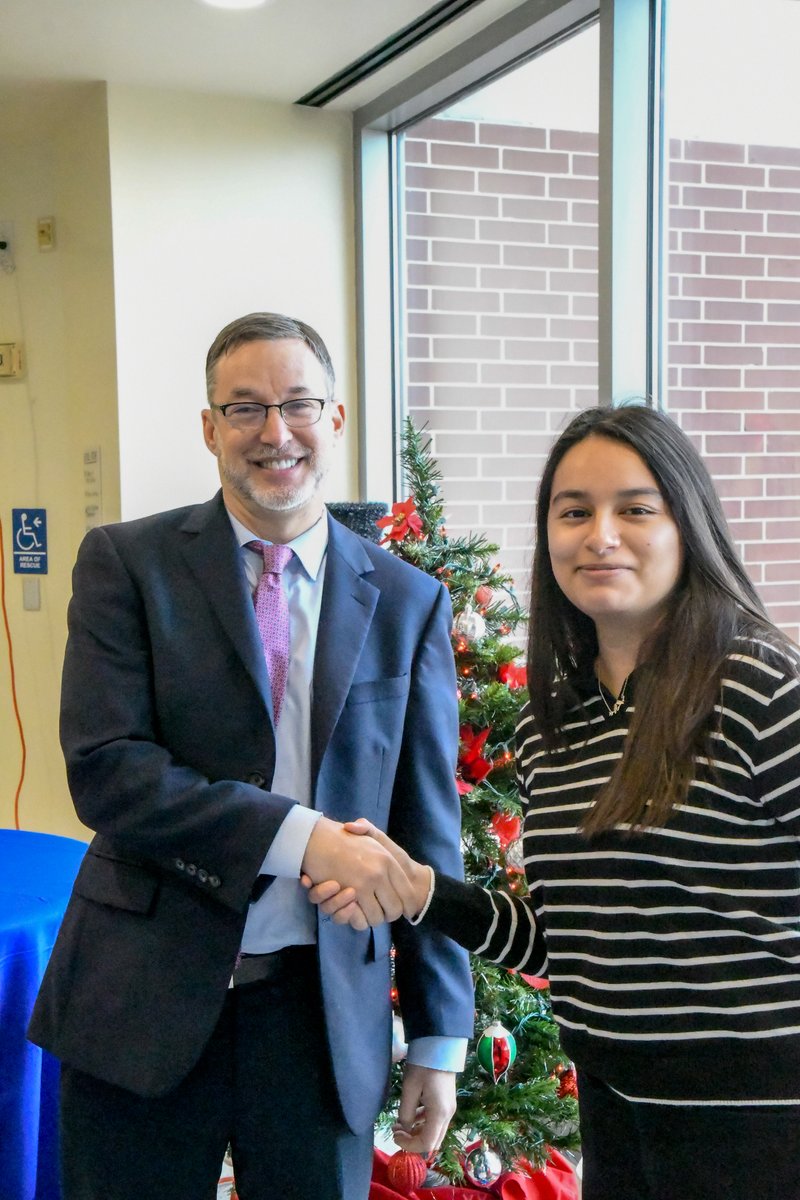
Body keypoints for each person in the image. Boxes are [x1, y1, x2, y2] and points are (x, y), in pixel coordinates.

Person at [28, 312, 474, 1200]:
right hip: (142, 1000)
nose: (276, 433)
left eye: (298, 405)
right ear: (209, 428)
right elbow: (109, 770)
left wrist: (438, 1037)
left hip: (318, 1018)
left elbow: (427, 828)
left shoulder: (406, 600)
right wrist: (304, 837)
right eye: (245, 409)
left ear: (336, 419)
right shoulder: (127, 563)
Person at [308, 404, 800, 1200]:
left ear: (689, 525)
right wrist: (422, 891)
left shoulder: (758, 684)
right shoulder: (556, 723)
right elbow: (571, 943)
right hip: (616, 1111)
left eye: (635, 509)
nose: (599, 534)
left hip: (761, 1123)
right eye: (574, 513)